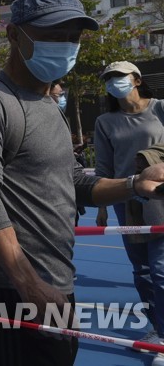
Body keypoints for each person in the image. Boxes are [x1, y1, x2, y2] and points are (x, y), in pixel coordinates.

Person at [0, 0, 164, 366]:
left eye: (73, 38)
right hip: (10, 288)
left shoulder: (49, 105)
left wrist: (134, 185)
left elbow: (75, 182)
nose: (66, 46)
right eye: (53, 35)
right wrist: (27, 282)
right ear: (14, 35)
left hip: (55, 280)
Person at [93, 61, 164, 350]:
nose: (112, 82)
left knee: (160, 268)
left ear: (135, 79)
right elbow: (103, 166)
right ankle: (157, 326)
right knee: (142, 270)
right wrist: (100, 207)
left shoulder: (160, 108)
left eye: (117, 76)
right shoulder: (105, 122)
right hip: (126, 201)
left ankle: (163, 334)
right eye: (108, 78)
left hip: (160, 196)